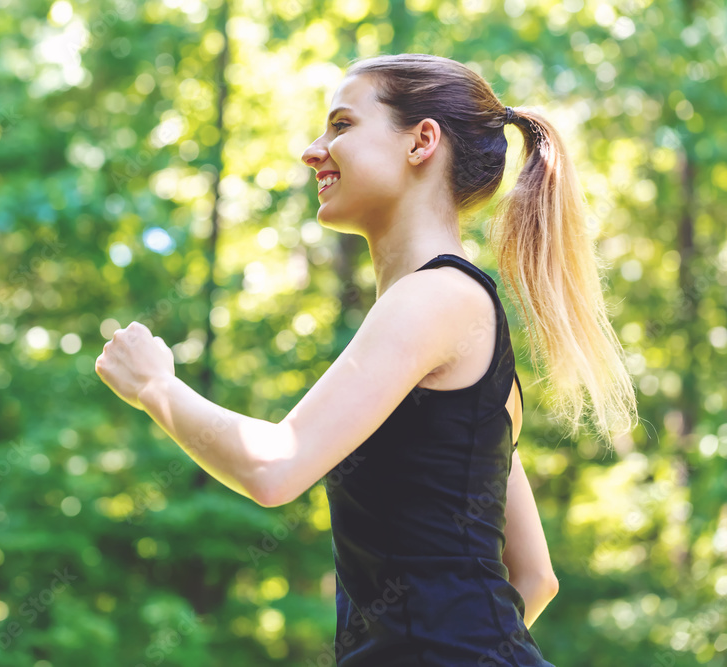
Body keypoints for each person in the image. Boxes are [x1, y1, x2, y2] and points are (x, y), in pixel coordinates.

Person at [95, 53, 638, 666]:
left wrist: (155, 386)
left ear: (421, 141)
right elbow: (535, 577)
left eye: (342, 125)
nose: (312, 150)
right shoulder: (455, 321)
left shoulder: (436, 299)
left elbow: (274, 468)